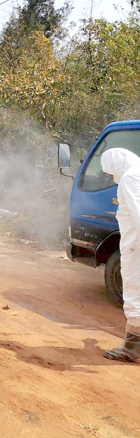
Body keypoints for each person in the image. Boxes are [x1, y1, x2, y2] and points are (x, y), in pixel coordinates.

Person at [101, 148, 140, 362]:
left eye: (109, 172)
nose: (110, 176)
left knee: (135, 295)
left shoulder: (130, 177)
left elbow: (138, 213)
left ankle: (133, 349)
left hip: (136, 247)